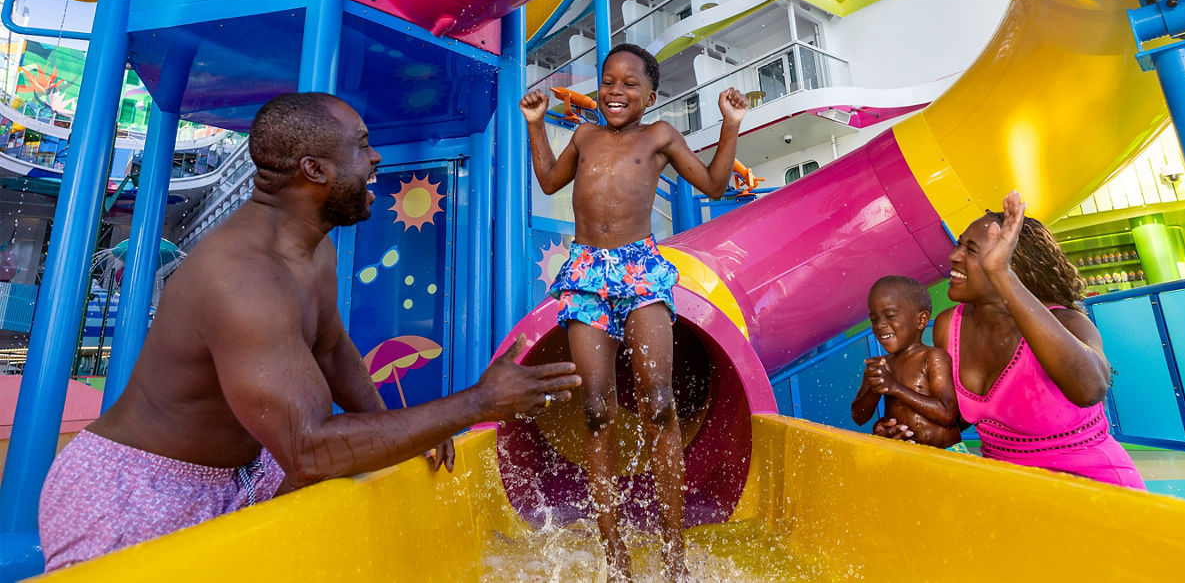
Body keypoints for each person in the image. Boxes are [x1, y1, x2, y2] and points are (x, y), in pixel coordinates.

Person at [39, 93, 582, 570]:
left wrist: (396, 423)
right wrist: (478, 403)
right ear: (315, 171)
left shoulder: (311, 247)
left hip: (238, 475)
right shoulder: (245, 279)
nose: (376, 159)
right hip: (136, 495)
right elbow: (308, 450)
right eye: (363, 146)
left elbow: (332, 350)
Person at [520, 43, 748, 581]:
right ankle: (615, 556)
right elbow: (551, 181)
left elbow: (714, 185)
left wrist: (731, 123)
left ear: (650, 94)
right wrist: (535, 124)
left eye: (629, 84)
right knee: (597, 408)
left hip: (639, 270)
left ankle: (674, 555)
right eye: (608, 81)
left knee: (661, 403)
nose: (615, 92)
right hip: (585, 273)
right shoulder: (584, 136)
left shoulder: (661, 136)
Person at [890, 190, 1144, 489]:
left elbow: (1090, 389)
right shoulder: (949, 325)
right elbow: (954, 417)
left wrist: (1001, 274)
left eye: (971, 250)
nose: (954, 256)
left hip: (1091, 488)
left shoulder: (1066, 322)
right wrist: (912, 430)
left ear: (1013, 265)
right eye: (959, 244)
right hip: (1010, 488)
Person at [850, 276, 961, 449]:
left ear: (921, 320)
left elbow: (947, 413)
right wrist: (875, 388)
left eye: (890, 315)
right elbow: (859, 417)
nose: (879, 325)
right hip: (908, 456)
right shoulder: (880, 367)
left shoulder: (932, 358)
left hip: (946, 456)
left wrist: (894, 388)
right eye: (874, 319)